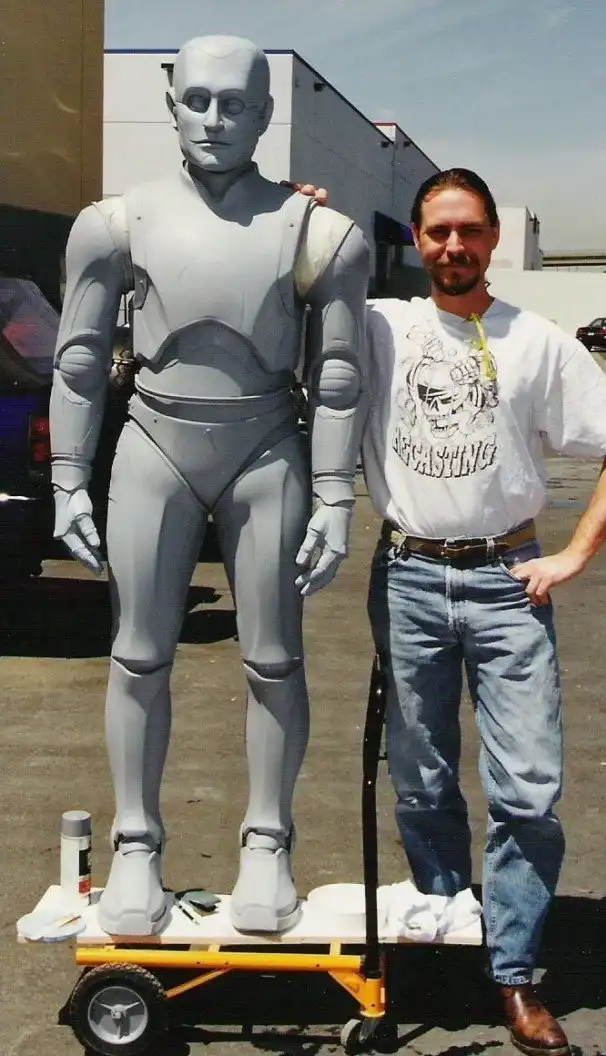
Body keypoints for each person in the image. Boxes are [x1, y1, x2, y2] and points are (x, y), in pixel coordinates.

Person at [297, 168, 606, 1055]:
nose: (453, 246)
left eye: (469, 231)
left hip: (508, 579)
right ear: (417, 241)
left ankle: (515, 973)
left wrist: (573, 555)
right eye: (437, 232)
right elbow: (296, 302)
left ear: (492, 238)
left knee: (527, 790)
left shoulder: (540, 341)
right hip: (409, 576)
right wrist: (301, 224)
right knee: (420, 778)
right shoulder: (381, 325)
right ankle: (447, 935)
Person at [49, 35, 369, 937]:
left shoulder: (321, 233)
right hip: (154, 444)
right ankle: (135, 845)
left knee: (274, 658)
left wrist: (337, 492)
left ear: (266, 113)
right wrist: (70, 477)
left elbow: (338, 375)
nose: (215, 120)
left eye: (235, 104)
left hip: (266, 448)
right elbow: (79, 362)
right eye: (197, 100)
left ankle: (268, 842)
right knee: (137, 654)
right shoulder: (114, 224)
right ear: (172, 104)